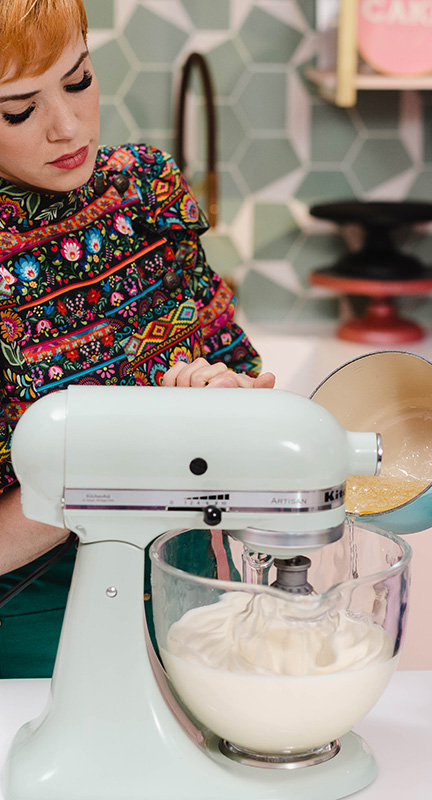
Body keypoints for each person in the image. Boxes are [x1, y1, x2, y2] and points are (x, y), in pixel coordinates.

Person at [0, 0, 275, 678]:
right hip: (39, 625)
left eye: (78, 79)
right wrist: (131, 453)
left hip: (194, 590)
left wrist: (224, 400)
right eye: (18, 110)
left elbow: (245, 396)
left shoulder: (143, 194)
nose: (66, 126)